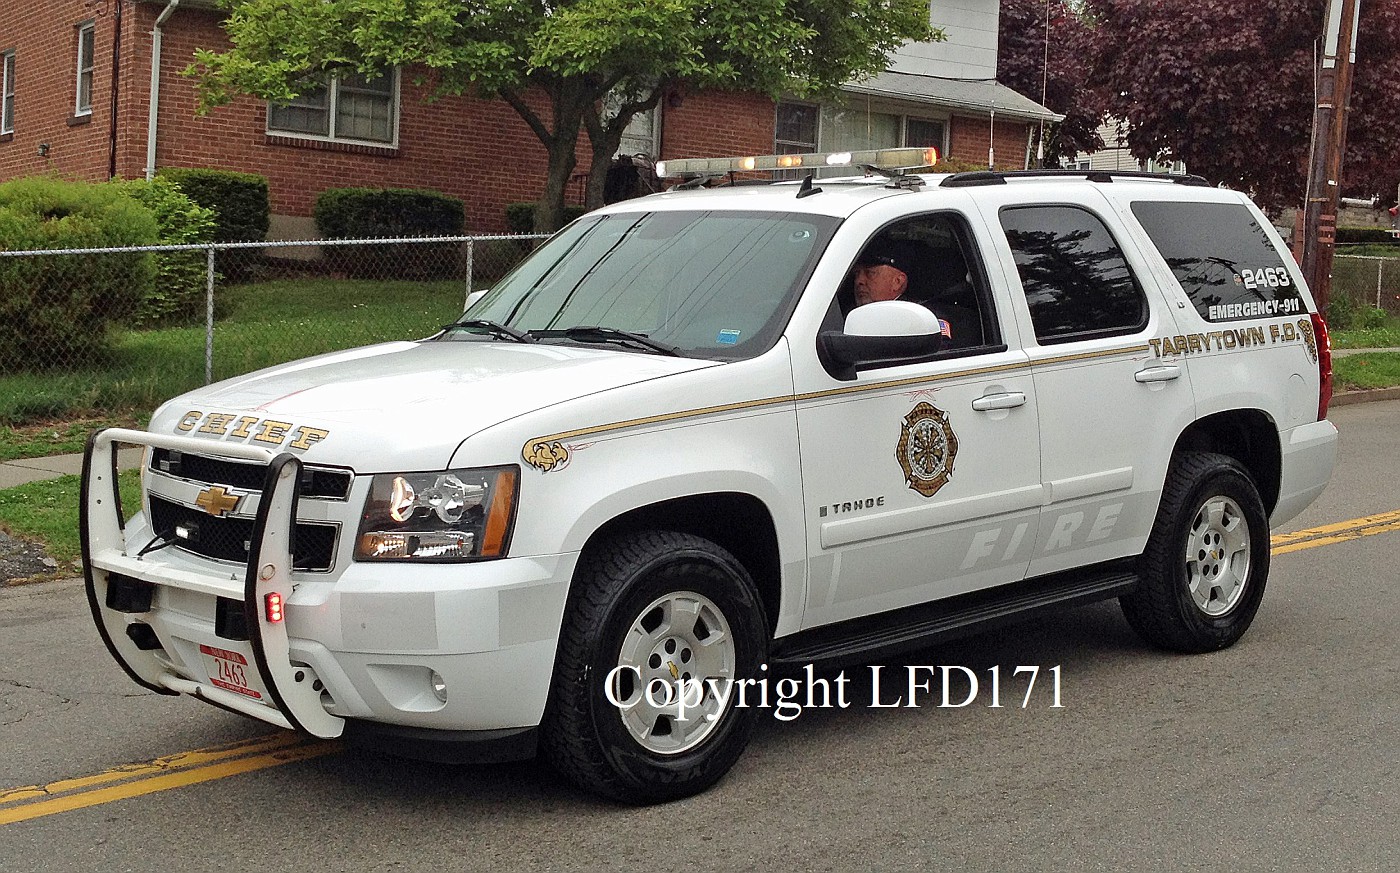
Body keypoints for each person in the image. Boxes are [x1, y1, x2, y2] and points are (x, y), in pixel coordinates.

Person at [851, 239, 954, 340]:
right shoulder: (844, 313)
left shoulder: (921, 320)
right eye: (856, 274)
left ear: (897, 282)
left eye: (870, 273)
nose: (859, 281)